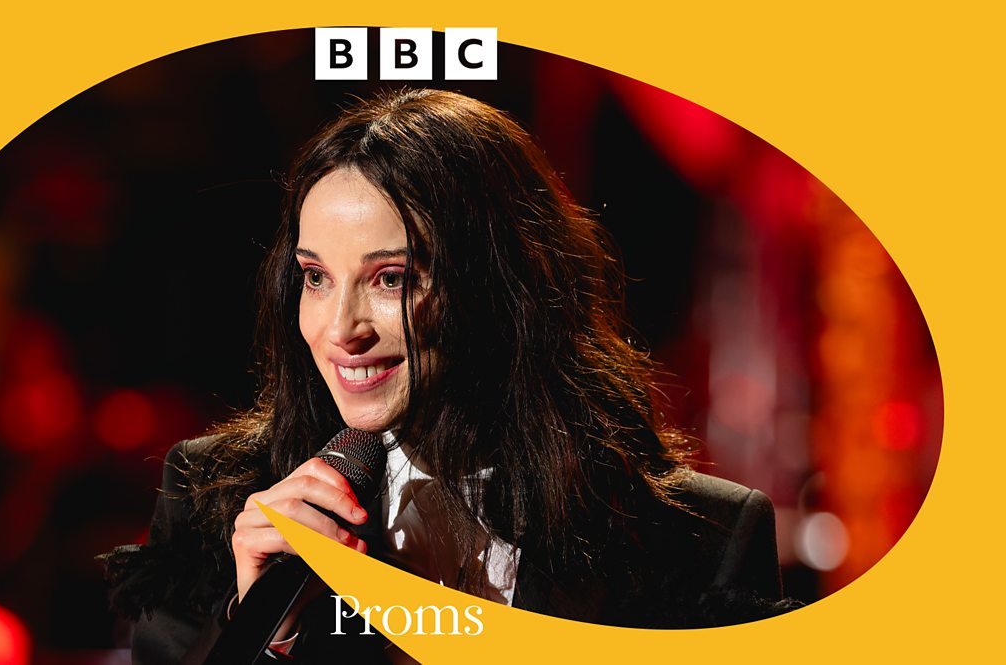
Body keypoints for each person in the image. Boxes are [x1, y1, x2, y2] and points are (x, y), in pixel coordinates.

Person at [101, 88, 795, 664]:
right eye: (316, 277)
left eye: (391, 277)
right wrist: (263, 632)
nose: (341, 328)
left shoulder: (693, 538)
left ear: (502, 285)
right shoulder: (217, 503)